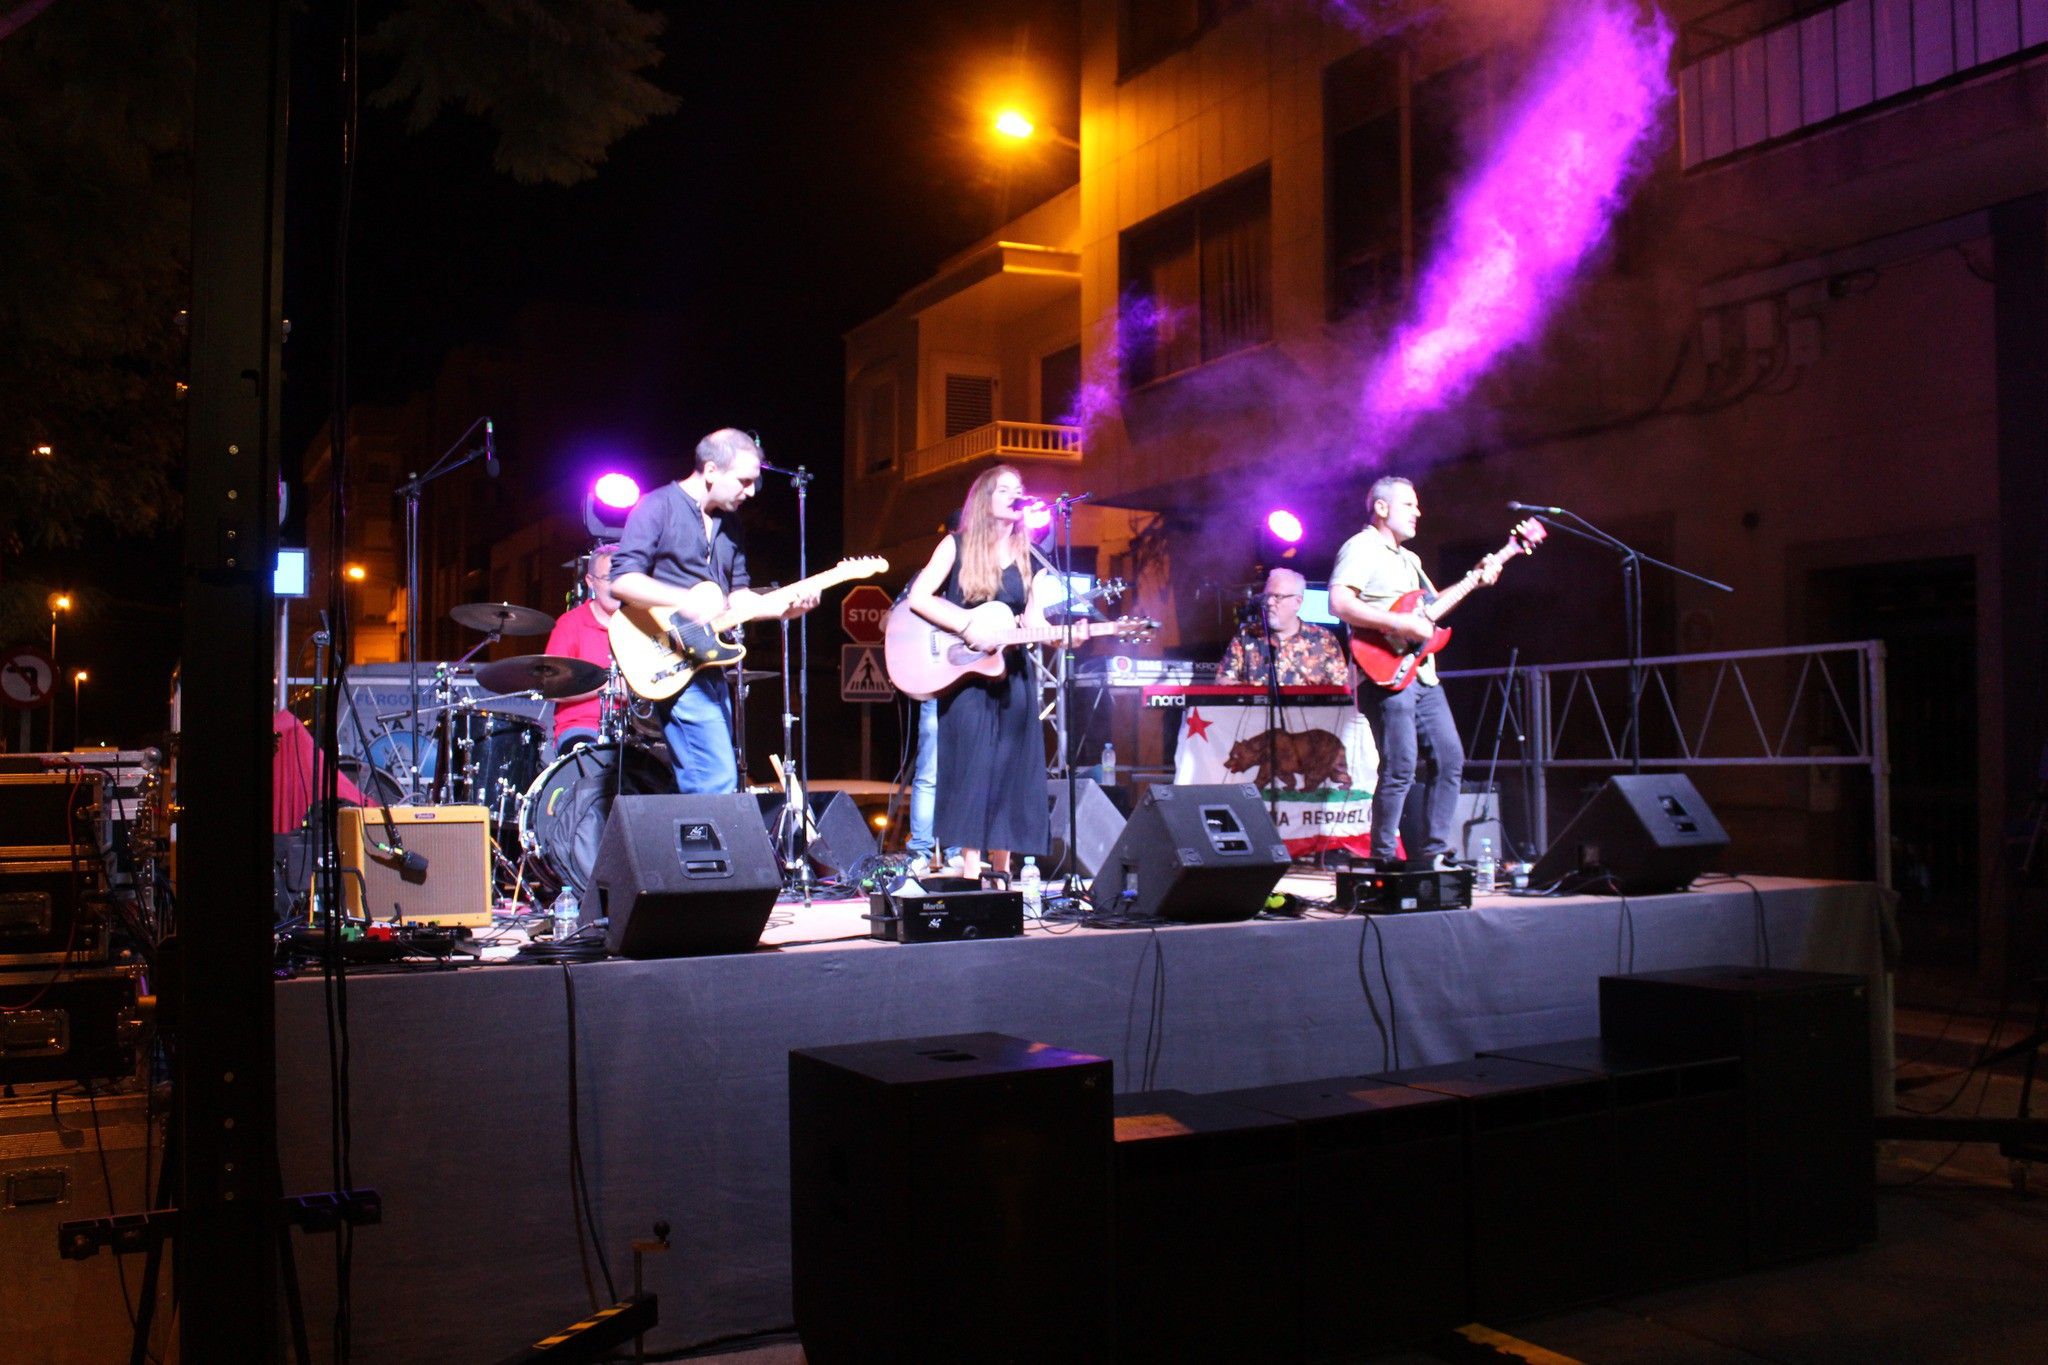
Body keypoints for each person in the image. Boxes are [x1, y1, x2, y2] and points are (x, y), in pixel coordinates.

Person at [608, 429, 818, 793]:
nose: (751, 491)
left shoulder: (731, 524)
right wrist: (683, 600)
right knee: (716, 778)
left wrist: (782, 609)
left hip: (707, 662)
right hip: (667, 655)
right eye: (743, 481)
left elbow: (738, 597)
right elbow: (622, 581)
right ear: (710, 470)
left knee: (711, 778)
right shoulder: (657, 506)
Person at [1329, 476, 1498, 868]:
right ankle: (1384, 857)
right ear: (1381, 508)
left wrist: (1474, 579)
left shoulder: (1411, 560)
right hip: (1384, 673)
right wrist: (1399, 624)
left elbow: (1430, 610)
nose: (1418, 512)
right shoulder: (1361, 547)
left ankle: (1435, 851)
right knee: (1400, 766)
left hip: (1422, 674)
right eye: (1408, 504)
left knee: (1450, 758)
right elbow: (1339, 602)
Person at [903, 465, 1050, 881]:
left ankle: (1002, 871)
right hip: (964, 672)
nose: (1015, 495)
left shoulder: (1031, 554)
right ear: (985, 499)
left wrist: (1059, 634)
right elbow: (918, 597)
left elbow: (1033, 618)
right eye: (1005, 489)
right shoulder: (957, 545)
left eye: (1019, 489)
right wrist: (967, 626)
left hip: (1013, 672)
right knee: (972, 766)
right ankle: (970, 870)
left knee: (1011, 768)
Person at [542, 544, 622, 754]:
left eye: (621, 577)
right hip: (582, 727)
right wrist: (608, 687)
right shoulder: (570, 624)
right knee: (597, 762)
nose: (615, 586)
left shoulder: (641, 623)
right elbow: (551, 688)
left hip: (633, 729)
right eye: (608, 578)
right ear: (590, 581)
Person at [1218, 566, 1350, 686]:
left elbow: (1341, 689)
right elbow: (1222, 680)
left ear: (1297, 602)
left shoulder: (1323, 639)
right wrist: (1255, 695)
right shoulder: (1246, 635)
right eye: (1267, 596)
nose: (1269, 602)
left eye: (1278, 596)